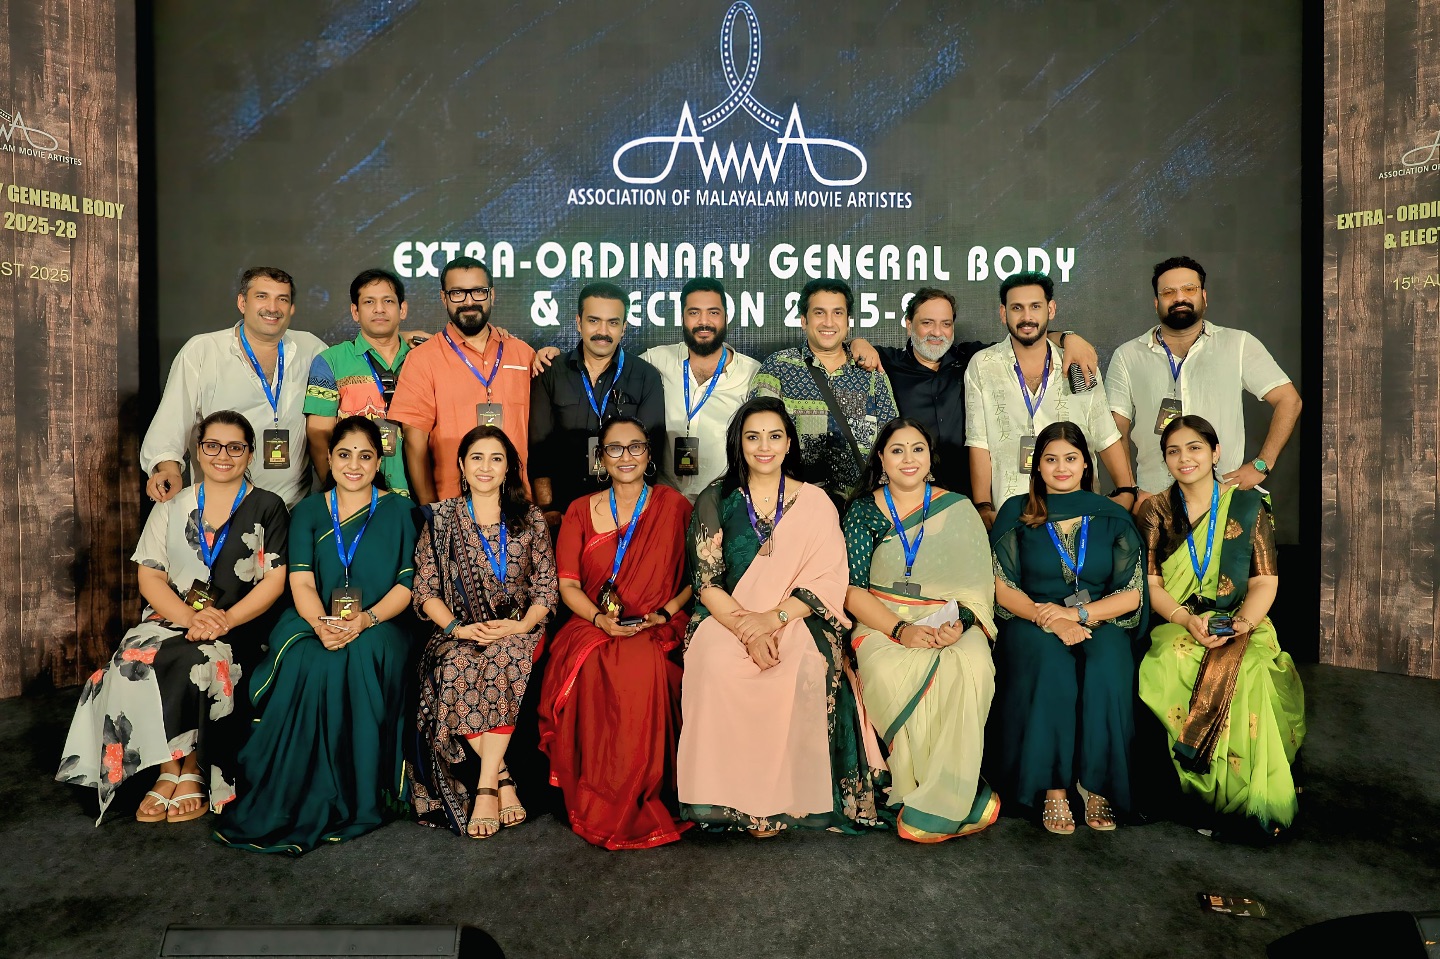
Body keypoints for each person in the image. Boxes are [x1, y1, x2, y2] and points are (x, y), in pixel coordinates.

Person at [57, 411, 289, 824]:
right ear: (197, 451)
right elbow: (150, 575)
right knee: (131, 658)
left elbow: (274, 580)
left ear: (250, 454)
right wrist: (188, 618)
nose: (223, 456)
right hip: (172, 618)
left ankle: (194, 769)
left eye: (235, 447)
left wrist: (224, 621)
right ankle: (167, 768)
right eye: (212, 446)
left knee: (201, 659)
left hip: (238, 624)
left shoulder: (268, 506)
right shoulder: (173, 505)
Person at [677, 396, 885, 836]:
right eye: (753, 437)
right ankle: (731, 800)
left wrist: (773, 620)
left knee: (802, 665)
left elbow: (828, 578)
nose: (764, 446)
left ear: (789, 442)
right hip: (728, 618)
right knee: (714, 664)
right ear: (739, 443)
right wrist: (748, 630)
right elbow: (707, 582)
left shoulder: (816, 502)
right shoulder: (717, 499)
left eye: (774, 436)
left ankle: (785, 799)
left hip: (797, 616)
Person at [214, 416, 419, 854]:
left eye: (365, 456)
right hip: (313, 618)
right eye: (344, 454)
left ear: (379, 460)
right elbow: (302, 582)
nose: (354, 465)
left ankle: (358, 792)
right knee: (310, 659)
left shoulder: (401, 511)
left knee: (360, 655)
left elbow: (406, 586)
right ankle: (300, 791)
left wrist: (365, 620)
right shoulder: (308, 511)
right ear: (329, 457)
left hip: (382, 622)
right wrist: (321, 624)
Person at [1137, 415, 1305, 837]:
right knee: (1172, 663)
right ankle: (1208, 793)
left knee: (1251, 669)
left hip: (1242, 618)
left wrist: (1243, 624)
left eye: (1195, 448)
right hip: (1180, 620)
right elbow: (1152, 585)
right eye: (1173, 451)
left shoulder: (1247, 505)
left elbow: (1264, 581)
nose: (1185, 458)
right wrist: (1185, 619)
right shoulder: (1156, 510)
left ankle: (1251, 797)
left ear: (1215, 453)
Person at [537, 416, 694, 849]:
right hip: (592, 623)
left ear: (649, 454)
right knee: (595, 665)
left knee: (644, 666)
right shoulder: (579, 510)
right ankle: (601, 797)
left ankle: (645, 793)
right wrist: (598, 620)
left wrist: (664, 612)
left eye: (636, 447)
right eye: (615, 448)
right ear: (601, 457)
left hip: (656, 622)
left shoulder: (673, 506)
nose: (626, 457)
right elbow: (568, 585)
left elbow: (694, 580)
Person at [842, 418, 1000, 842]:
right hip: (881, 619)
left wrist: (960, 624)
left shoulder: (958, 508)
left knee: (971, 664)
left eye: (917, 449)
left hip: (949, 619)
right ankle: (944, 793)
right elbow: (852, 591)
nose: (908, 459)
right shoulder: (863, 511)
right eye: (897, 450)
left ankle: (947, 792)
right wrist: (900, 631)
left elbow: (977, 589)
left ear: (931, 457)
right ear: (881, 458)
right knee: (888, 669)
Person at [988, 421, 1147, 834]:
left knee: (1107, 661)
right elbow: (1002, 586)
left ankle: (1097, 785)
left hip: (1096, 616)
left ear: (1086, 464)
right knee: (1051, 663)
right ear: (1036, 466)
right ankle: (1053, 788)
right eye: (1051, 459)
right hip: (1031, 618)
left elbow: (1131, 593)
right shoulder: (1016, 512)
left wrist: (1075, 616)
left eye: (1071, 458)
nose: (1061, 468)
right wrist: (1049, 619)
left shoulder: (1111, 516)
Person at [409, 425, 558, 839]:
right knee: (456, 665)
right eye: (477, 457)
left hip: (520, 628)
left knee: (504, 657)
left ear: (509, 467)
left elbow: (547, 587)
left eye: (496, 458)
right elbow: (425, 590)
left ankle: (486, 786)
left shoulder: (529, 519)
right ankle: (503, 779)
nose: (486, 467)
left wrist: (521, 625)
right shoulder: (441, 519)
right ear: (461, 464)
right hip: (459, 630)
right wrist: (458, 629)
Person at [848, 287, 1100, 497]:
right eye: (927, 323)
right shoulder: (886, 363)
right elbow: (837, 352)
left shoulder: (974, 359)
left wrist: (1067, 338)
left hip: (967, 493)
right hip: (908, 491)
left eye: (946, 324)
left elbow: (1026, 339)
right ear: (908, 324)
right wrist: (855, 343)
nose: (937, 332)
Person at [1106, 256, 1303, 509]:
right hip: (1154, 499)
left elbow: (1289, 400)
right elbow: (1115, 429)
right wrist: (1130, 490)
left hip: (1224, 495)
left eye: (1189, 289)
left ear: (1204, 297)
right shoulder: (1128, 355)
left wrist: (1262, 464)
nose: (1179, 298)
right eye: (1168, 292)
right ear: (1156, 303)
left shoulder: (1237, 344)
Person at [142, 267, 326, 508]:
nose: (272, 307)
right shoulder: (203, 351)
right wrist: (169, 470)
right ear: (242, 302)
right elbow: (168, 428)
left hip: (292, 510)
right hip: (222, 510)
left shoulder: (313, 350)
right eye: (262, 296)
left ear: (292, 308)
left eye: (282, 299)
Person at [965, 271, 1137, 530]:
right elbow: (979, 442)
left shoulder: (1078, 363)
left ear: (1051, 309)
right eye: (1017, 308)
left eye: (1035, 306)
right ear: (1003, 313)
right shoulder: (983, 365)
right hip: (1012, 512)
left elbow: (1104, 431)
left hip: (1079, 510)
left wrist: (1126, 490)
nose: (1027, 317)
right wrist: (983, 506)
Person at [388, 256, 537, 506]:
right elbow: (415, 445)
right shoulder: (422, 359)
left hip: (518, 506)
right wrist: (431, 511)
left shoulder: (523, 354)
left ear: (492, 295)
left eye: (478, 291)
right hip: (452, 506)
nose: (469, 301)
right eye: (457, 293)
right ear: (443, 297)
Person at [529, 281, 666, 525]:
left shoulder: (646, 376)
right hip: (564, 513)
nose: (603, 331)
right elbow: (540, 450)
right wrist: (548, 510)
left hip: (625, 514)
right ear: (578, 323)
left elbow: (650, 452)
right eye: (594, 321)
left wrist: (633, 512)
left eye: (612, 322)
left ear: (623, 328)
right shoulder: (551, 372)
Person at [751, 278, 898, 499]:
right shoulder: (778, 367)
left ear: (848, 322)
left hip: (860, 505)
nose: (828, 322)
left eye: (837, 313)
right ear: (803, 320)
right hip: (792, 503)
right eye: (819, 313)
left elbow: (893, 440)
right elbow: (756, 436)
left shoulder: (870, 373)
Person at [641, 278, 760, 500]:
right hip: (663, 500)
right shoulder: (656, 360)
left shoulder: (752, 374)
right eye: (694, 313)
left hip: (722, 501)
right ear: (682, 318)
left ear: (726, 317)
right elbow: (611, 370)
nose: (704, 322)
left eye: (713, 313)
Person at [305, 269, 414, 496]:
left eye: (388, 301)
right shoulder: (330, 362)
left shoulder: (423, 359)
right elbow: (318, 436)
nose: (379, 309)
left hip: (416, 495)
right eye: (369, 302)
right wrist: (337, 492)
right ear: (355, 312)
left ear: (402, 309)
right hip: (355, 496)